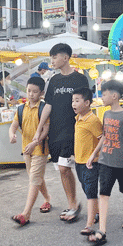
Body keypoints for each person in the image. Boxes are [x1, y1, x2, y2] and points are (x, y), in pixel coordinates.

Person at [34, 43, 89, 223]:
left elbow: (87, 104)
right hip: (56, 131)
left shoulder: (80, 79)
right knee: (63, 170)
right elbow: (48, 105)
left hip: (75, 130)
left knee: (79, 169)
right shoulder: (54, 81)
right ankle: (72, 204)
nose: (52, 61)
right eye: (51, 58)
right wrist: (40, 128)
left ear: (65, 58)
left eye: (55, 57)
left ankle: (90, 205)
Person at [86, 80, 123, 246]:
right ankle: (102, 230)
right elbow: (105, 135)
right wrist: (94, 154)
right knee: (104, 193)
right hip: (106, 161)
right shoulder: (106, 114)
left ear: (114, 96)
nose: (102, 97)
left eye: (104, 94)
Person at [9, 77, 51, 226]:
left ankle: (25, 214)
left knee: (34, 179)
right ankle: (47, 199)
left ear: (42, 93)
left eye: (35, 92)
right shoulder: (21, 108)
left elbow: (46, 130)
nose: (31, 94)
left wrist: (35, 142)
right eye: (29, 91)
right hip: (26, 150)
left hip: (40, 149)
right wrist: (12, 134)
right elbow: (14, 125)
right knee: (36, 178)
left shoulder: (44, 107)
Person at [72, 87, 103, 236]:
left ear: (87, 103)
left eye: (77, 100)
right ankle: (96, 213)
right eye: (73, 100)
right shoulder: (77, 119)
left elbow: (102, 138)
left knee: (90, 192)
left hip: (91, 163)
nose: (73, 103)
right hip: (79, 162)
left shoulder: (93, 120)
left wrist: (93, 155)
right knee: (86, 188)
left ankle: (90, 224)